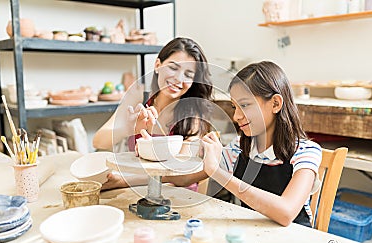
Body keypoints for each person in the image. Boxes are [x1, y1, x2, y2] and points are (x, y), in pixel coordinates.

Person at [201, 61, 322, 227]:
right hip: (253, 236)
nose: (236, 116)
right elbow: (186, 178)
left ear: (275, 104)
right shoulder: (239, 147)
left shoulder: (306, 151)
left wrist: (218, 173)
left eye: (244, 105)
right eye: (234, 107)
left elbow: (286, 213)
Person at [93, 37, 213, 190]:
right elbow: (98, 141)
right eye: (173, 68)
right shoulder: (138, 96)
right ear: (158, 65)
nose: (178, 79)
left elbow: (177, 174)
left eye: (188, 75)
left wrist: (124, 181)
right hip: (139, 188)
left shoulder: (192, 115)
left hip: (176, 193)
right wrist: (127, 129)